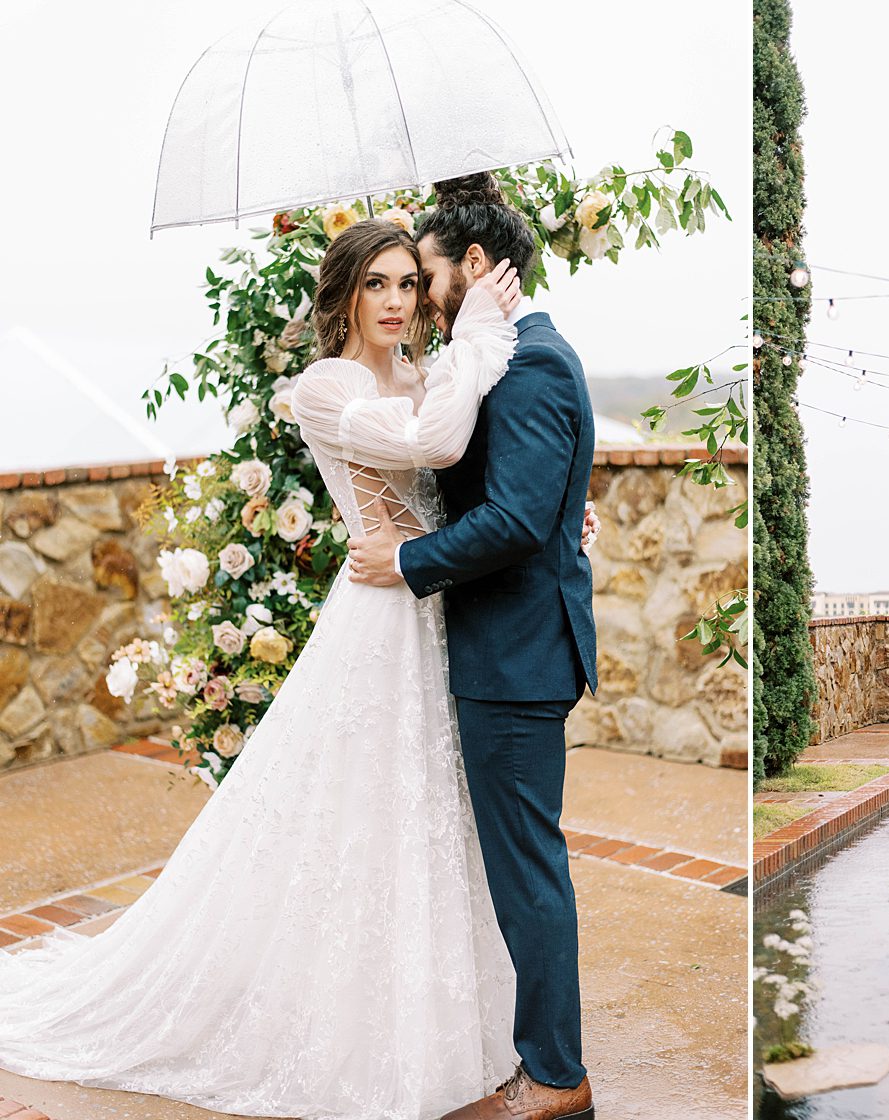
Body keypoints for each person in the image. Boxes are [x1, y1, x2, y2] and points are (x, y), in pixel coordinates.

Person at [0, 215, 593, 1120]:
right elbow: (434, 446)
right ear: (346, 295)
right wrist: (479, 333)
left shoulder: (428, 374)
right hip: (382, 615)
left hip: (442, 620)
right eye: (380, 285)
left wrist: (558, 517)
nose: (399, 302)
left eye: (408, 282)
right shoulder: (324, 388)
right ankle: (346, 1022)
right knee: (355, 825)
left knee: (431, 827)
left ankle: (439, 1017)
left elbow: (480, 478)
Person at [347, 172, 599, 1120]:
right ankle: (541, 1050)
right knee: (517, 860)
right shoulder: (519, 355)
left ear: (477, 266)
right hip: (517, 645)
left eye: (430, 272)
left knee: (528, 867)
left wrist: (408, 557)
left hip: (515, 655)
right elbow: (541, 497)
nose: (420, 294)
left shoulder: (528, 364)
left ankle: (559, 1074)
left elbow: (517, 519)